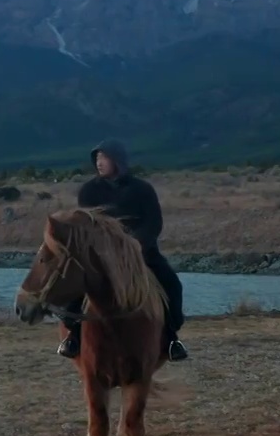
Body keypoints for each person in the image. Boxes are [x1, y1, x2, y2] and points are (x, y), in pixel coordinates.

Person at [57, 139, 189, 362]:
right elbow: (86, 225)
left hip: (141, 254)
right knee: (75, 285)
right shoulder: (89, 191)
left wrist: (136, 245)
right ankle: (74, 335)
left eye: (104, 158)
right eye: (96, 158)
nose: (99, 163)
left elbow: (154, 223)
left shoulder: (142, 189)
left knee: (171, 283)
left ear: (117, 161)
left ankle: (171, 338)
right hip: (100, 255)